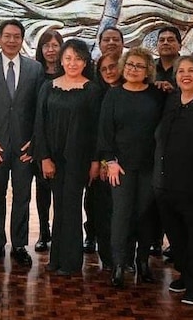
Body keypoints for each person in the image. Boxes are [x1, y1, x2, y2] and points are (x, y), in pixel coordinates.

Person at [33, 39, 103, 276]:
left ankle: (71, 262)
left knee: (72, 207)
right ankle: (56, 259)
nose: (73, 63)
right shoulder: (48, 87)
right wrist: (43, 157)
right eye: (68, 58)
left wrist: (95, 161)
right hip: (53, 158)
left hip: (79, 159)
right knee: (59, 206)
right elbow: (39, 125)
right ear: (61, 60)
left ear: (85, 62)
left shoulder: (92, 90)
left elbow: (96, 130)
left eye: (78, 58)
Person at [154, 55, 193, 306]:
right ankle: (186, 275)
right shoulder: (171, 100)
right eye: (181, 71)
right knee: (177, 236)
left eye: (192, 70)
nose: (186, 75)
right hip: (166, 182)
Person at [0, 20, 44, 268]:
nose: (11, 40)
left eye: (17, 36)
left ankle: (19, 245)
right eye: (7, 36)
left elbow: (41, 109)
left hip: (24, 148)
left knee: (22, 196)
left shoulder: (35, 69)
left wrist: (35, 142)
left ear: (22, 40)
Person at [99, 47, 165, 288]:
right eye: (129, 65)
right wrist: (111, 162)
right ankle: (119, 264)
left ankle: (143, 261)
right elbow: (105, 133)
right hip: (121, 167)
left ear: (148, 70)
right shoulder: (113, 95)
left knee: (145, 216)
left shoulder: (157, 95)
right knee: (121, 215)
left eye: (138, 66)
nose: (133, 69)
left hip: (150, 166)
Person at [84, 28, 124, 254]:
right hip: (99, 156)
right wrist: (98, 160)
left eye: (115, 39)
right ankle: (94, 238)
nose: (110, 43)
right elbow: (93, 129)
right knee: (96, 202)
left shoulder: (134, 85)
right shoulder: (94, 89)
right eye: (106, 39)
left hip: (126, 157)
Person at [32, 29, 63, 252]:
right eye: (46, 45)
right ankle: (44, 231)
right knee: (42, 191)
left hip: (65, 142)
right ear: (41, 49)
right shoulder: (35, 75)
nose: (51, 49)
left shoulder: (72, 72)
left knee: (64, 192)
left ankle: (64, 232)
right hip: (40, 140)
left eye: (55, 45)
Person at [154, 26, 182, 93]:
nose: (165, 43)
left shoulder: (188, 67)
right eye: (161, 40)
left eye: (170, 40)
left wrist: (174, 92)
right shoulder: (148, 67)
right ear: (156, 45)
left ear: (180, 46)